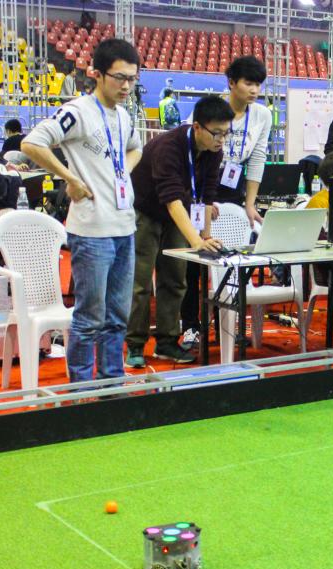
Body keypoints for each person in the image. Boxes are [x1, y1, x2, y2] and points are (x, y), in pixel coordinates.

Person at [22, 38, 144, 384]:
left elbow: (136, 149)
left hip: (124, 227)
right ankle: (80, 388)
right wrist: (70, 179)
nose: (126, 86)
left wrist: (120, 173)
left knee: (117, 317)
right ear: (98, 74)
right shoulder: (78, 111)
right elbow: (31, 143)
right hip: (91, 231)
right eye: (119, 78)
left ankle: (111, 382)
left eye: (132, 79)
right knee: (90, 318)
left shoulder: (124, 115)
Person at [125, 95, 230, 368]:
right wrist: (196, 241)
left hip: (177, 213)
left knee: (175, 277)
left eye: (226, 133)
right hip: (145, 210)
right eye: (216, 133)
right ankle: (135, 344)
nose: (221, 140)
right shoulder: (169, 147)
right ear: (197, 127)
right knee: (140, 281)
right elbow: (171, 200)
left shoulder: (214, 152)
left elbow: (206, 196)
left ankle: (167, 342)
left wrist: (205, 236)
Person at [180, 55, 272, 350]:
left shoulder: (262, 115)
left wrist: (250, 203)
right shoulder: (209, 110)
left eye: (258, 84)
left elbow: (257, 158)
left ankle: (230, 324)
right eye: (248, 83)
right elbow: (188, 157)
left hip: (233, 187)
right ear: (231, 83)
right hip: (199, 186)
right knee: (196, 259)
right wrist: (201, 200)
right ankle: (190, 326)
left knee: (233, 257)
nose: (254, 90)